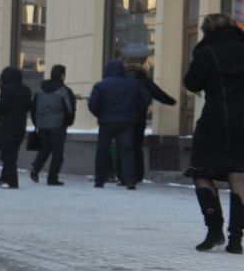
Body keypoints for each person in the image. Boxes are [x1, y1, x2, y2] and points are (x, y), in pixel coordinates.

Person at [182, 13, 244, 252]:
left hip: (215, 119)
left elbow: (192, 83)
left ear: (207, 31)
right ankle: (236, 238)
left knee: (201, 172)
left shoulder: (205, 53)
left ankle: (214, 230)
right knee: (240, 175)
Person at [88, 59, 151, 188]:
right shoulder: (134, 84)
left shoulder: (100, 85)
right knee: (127, 151)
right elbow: (146, 99)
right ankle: (130, 181)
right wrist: (135, 113)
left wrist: (100, 115)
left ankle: (100, 180)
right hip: (127, 123)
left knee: (102, 151)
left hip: (106, 123)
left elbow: (93, 105)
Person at [129, 65, 177, 185]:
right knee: (136, 147)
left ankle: (123, 174)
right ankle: (137, 175)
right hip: (138, 119)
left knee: (123, 147)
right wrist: (171, 101)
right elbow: (157, 93)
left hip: (122, 119)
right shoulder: (144, 81)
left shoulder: (122, 80)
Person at [29, 63, 76, 184]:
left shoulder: (40, 88)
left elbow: (33, 107)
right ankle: (52, 178)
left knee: (45, 148)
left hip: (42, 125)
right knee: (57, 153)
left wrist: (36, 123)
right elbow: (70, 109)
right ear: (62, 75)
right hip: (58, 126)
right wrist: (67, 122)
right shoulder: (64, 90)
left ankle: (35, 168)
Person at [0, 66, 31, 189]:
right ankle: (3, 178)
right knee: (12, 153)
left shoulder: (6, 90)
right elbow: (28, 107)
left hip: (7, 126)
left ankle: (13, 181)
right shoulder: (26, 90)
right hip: (20, 126)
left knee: (9, 155)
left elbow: (3, 107)